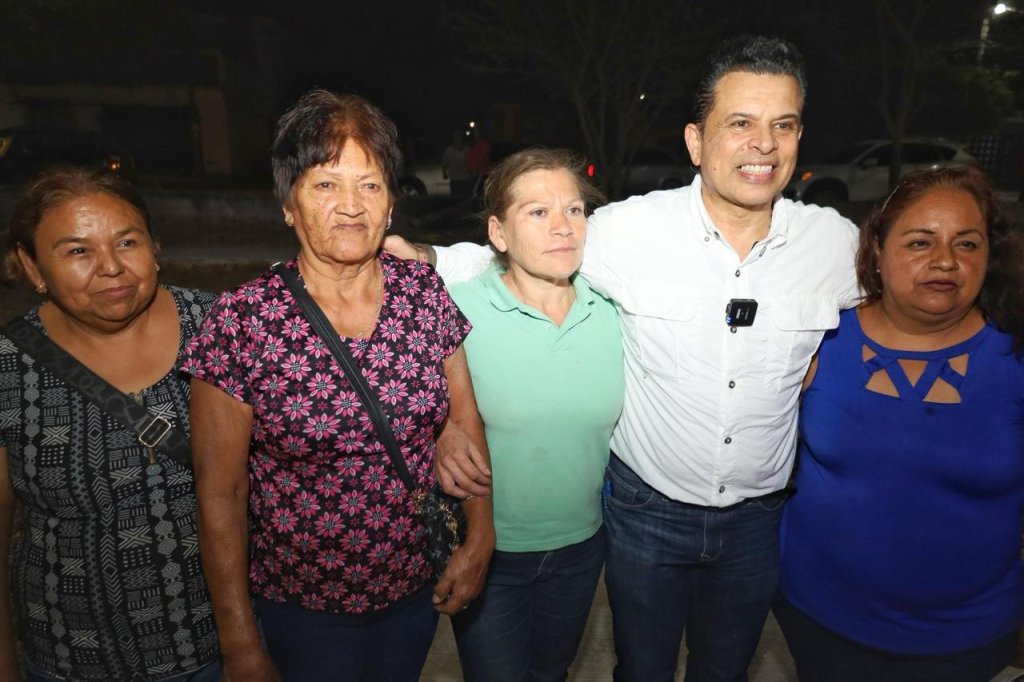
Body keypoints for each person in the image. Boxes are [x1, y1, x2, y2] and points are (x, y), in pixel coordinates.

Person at [387, 35, 860, 681]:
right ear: (696, 141)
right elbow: (529, 250)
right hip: (646, 515)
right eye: (740, 123)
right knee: (640, 669)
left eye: (784, 125)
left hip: (758, 520)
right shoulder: (630, 230)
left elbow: (901, 306)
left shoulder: (833, 245)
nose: (764, 144)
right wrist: (427, 257)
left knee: (727, 671)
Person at [182, 89, 494, 682]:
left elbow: (464, 419)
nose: (351, 206)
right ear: (288, 205)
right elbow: (221, 493)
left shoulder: (422, 291)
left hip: (413, 587)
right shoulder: (243, 320)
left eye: (370, 185)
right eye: (326, 184)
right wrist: (239, 641)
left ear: (391, 205)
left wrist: (480, 536)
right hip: (300, 605)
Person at [775, 166, 1024, 682]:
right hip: (820, 620)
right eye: (919, 242)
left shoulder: (1015, 357)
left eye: (967, 243)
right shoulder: (818, 337)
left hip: (968, 638)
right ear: (876, 251)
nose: (946, 260)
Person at [0, 167, 221, 681]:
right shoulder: (8, 366)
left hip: (220, 652)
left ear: (154, 247)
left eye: (127, 242)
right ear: (32, 266)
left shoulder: (220, 329)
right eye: (78, 251)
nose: (111, 267)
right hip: (69, 660)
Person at [446, 148, 624, 681]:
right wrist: (438, 432)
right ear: (498, 233)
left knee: (552, 674)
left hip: (582, 546)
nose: (562, 226)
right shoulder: (455, 309)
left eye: (574, 210)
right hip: (489, 550)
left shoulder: (613, 310)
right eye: (538, 212)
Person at [442, 130, 474, 200]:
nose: (458, 139)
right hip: (455, 179)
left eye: (460, 137)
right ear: (453, 139)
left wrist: (471, 171)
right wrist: (444, 173)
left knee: (467, 198)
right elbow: (445, 163)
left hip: (466, 179)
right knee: (455, 199)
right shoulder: (449, 150)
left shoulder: (467, 149)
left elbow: (472, 161)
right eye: (456, 137)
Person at [466, 129, 492, 197]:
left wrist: (475, 168)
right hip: (473, 172)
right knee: (472, 191)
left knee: (475, 191)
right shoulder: (472, 144)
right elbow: (469, 157)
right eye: (474, 133)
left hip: (481, 172)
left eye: (477, 132)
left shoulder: (484, 144)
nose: (475, 134)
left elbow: (481, 157)